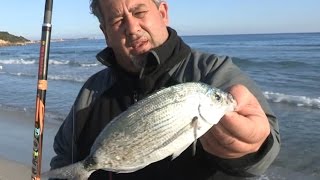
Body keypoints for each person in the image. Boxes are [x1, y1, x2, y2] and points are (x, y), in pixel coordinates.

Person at [50, 0, 280, 179]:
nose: (131, 28)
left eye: (139, 12)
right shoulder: (92, 90)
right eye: (117, 20)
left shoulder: (212, 72)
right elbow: (64, 155)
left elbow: (266, 147)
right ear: (105, 33)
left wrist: (252, 148)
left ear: (162, 13)